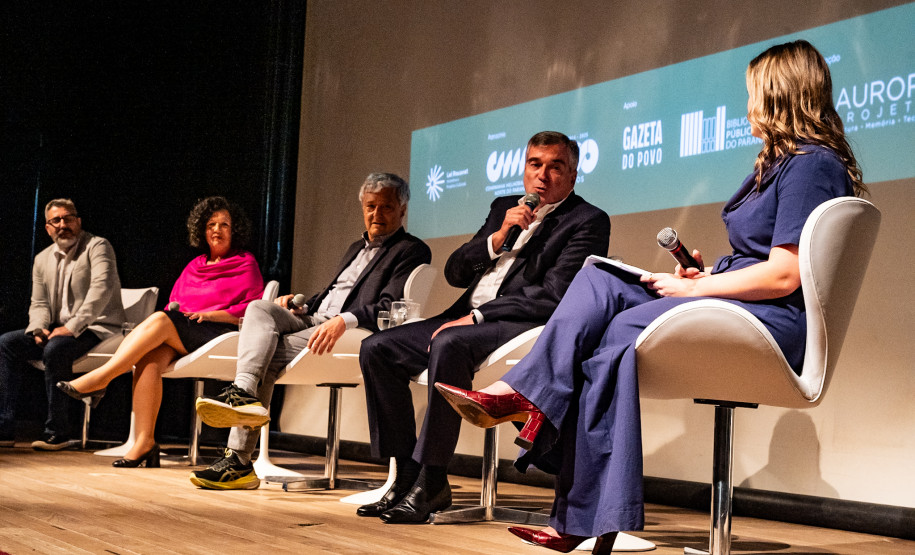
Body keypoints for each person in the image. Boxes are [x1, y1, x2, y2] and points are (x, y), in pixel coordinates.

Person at [436, 40, 867, 554]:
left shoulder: (809, 163)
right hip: (743, 302)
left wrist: (698, 286)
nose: (747, 106)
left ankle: (566, 478)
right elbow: (764, 263)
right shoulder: (783, 164)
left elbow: (783, 276)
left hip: (771, 320)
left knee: (614, 335)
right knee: (597, 278)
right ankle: (538, 422)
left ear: (778, 96)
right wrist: (703, 273)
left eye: (753, 94)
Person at [357, 131, 611, 524]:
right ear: (524, 169)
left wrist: (480, 316)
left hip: (520, 325)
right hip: (465, 315)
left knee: (450, 343)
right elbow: (457, 272)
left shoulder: (587, 220)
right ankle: (405, 473)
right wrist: (494, 240)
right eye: (534, 164)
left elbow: (555, 294)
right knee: (376, 349)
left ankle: (433, 479)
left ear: (573, 176)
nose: (542, 175)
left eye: (555, 167)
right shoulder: (503, 208)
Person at [189, 173, 431, 490]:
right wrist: (302, 304)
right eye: (370, 206)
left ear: (402, 210)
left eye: (385, 207)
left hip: (351, 332)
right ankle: (244, 393)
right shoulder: (355, 247)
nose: (376, 214)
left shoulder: (410, 250)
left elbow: (391, 306)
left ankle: (238, 459)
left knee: (265, 352)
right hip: (315, 319)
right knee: (258, 309)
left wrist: (345, 319)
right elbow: (336, 293)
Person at [57, 196, 264, 467]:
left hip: (221, 335)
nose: (217, 230)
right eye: (211, 224)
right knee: (149, 357)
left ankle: (103, 377)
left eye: (224, 224)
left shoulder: (245, 262)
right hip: (186, 331)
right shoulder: (194, 266)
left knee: (162, 320)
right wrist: (182, 317)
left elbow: (253, 310)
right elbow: (174, 305)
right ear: (202, 230)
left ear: (234, 230)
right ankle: (145, 442)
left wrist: (208, 315)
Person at [0, 199, 124, 450]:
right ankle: (4, 427)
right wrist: (38, 328)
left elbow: (101, 289)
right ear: (47, 228)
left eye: (68, 218)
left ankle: (58, 431)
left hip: (98, 328)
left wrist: (73, 326)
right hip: (59, 330)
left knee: (55, 348)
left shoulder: (97, 246)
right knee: (7, 343)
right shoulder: (42, 258)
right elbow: (39, 302)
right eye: (55, 220)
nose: (62, 224)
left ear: (78, 222)